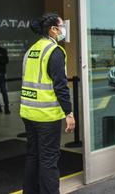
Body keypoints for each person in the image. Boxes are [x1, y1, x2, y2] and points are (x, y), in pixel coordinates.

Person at [21, 13, 75, 194]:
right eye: (61, 26)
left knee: (33, 156)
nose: (63, 30)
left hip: (28, 112)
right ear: (53, 29)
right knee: (49, 160)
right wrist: (69, 113)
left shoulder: (31, 50)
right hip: (46, 116)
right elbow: (61, 86)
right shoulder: (54, 51)